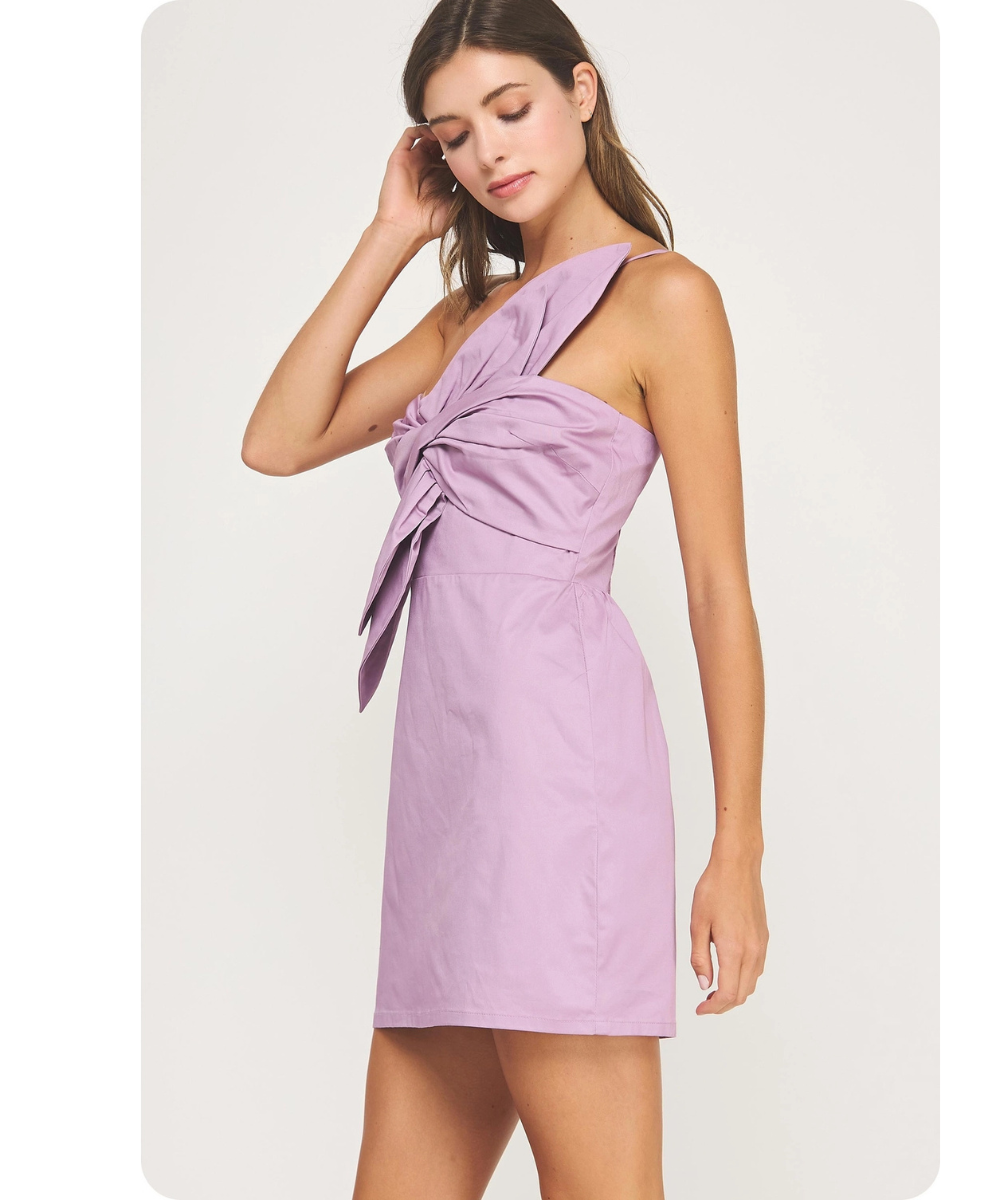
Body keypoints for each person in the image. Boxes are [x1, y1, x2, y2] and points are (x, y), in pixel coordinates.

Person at [241, 1, 767, 1195]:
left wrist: (736, 846)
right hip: (446, 792)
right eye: (454, 134)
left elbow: (716, 587)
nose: (489, 151)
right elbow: (277, 441)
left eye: (511, 109)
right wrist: (390, 234)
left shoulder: (666, 299)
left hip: (562, 786)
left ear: (581, 91)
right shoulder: (466, 317)